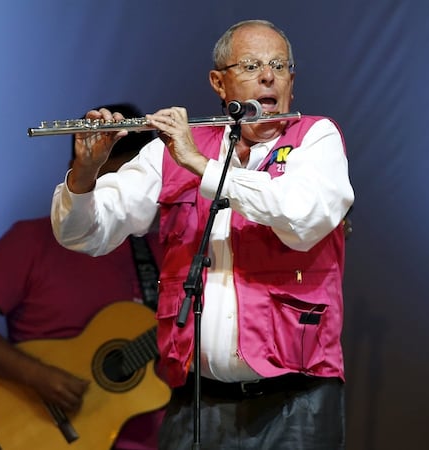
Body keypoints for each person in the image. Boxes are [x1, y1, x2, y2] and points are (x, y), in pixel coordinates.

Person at [51, 19, 354, 450]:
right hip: (196, 398)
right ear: (219, 82)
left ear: (291, 78)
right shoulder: (172, 149)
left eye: (279, 66)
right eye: (250, 66)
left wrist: (201, 164)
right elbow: (86, 235)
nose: (268, 76)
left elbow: (303, 216)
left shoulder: (315, 138)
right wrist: (85, 173)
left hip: (296, 399)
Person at [0, 103, 165, 450]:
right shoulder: (30, 240)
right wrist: (37, 376)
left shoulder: (161, 247)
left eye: (129, 183)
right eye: (105, 179)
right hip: (49, 428)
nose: (117, 196)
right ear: (76, 172)